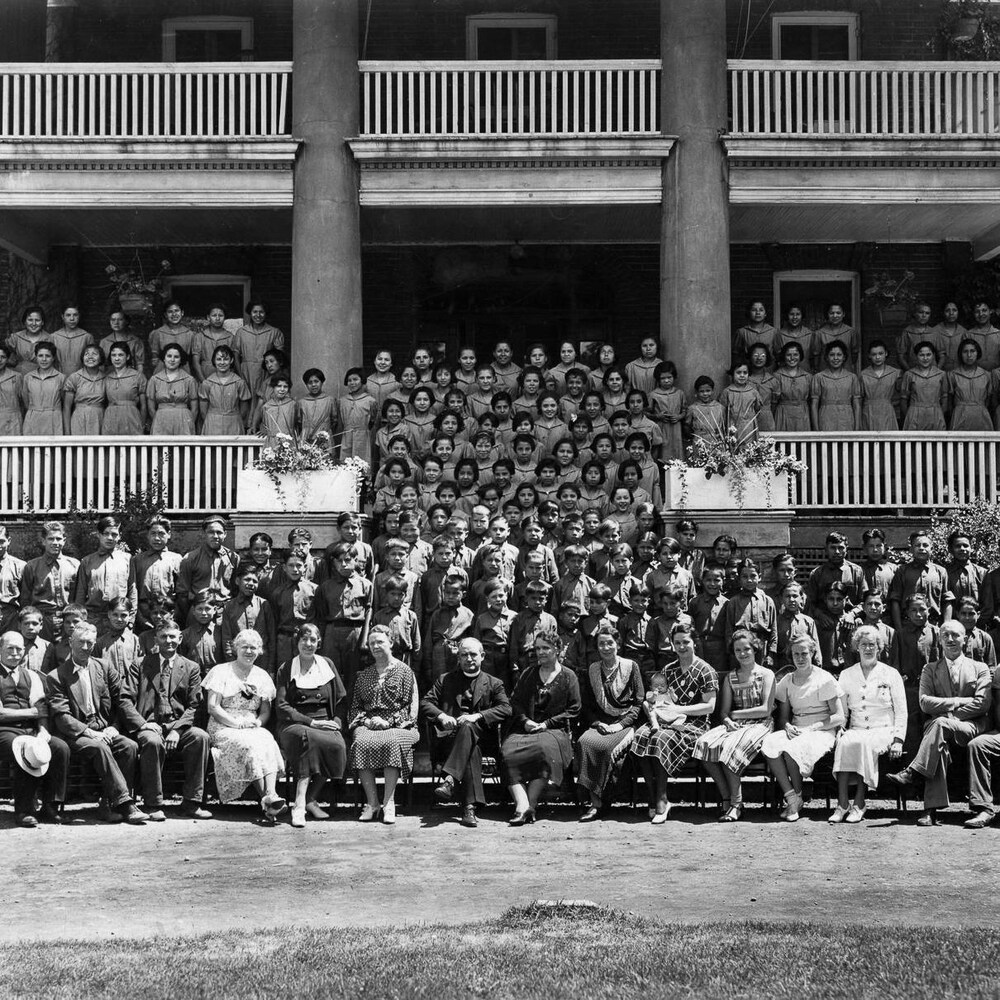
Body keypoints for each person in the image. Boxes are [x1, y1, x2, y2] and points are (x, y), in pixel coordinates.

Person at [888, 620, 992, 826]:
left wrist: (949, 715)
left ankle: (912, 772)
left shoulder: (979, 668)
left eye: (955, 635)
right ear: (940, 640)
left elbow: (982, 703)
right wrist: (958, 702)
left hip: (970, 726)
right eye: (946, 635)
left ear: (965, 638)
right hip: (938, 728)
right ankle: (931, 811)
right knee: (939, 746)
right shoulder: (930, 668)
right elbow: (925, 703)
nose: (950, 639)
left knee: (939, 725)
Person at [46, 621, 149, 824]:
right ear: (70, 642)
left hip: (104, 728)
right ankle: (125, 804)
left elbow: (122, 701)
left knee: (129, 746)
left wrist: (115, 726)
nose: (86, 647)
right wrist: (89, 733)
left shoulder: (104, 666)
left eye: (90, 643)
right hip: (75, 735)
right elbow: (62, 717)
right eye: (81, 642)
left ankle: (107, 804)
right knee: (99, 748)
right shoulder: (57, 676)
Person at [119, 619, 212, 821]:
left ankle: (191, 802)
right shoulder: (140, 664)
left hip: (179, 725)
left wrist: (177, 731)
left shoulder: (191, 667)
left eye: (172, 637)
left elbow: (195, 705)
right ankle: (153, 804)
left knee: (200, 737)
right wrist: (143, 724)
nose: (168, 641)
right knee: (152, 742)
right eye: (163, 637)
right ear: (156, 640)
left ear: (180, 639)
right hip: (149, 724)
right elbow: (125, 699)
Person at [631, 621, 718, 823]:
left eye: (685, 642)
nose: (681, 647)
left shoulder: (706, 670)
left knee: (661, 737)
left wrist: (678, 709)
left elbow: (709, 706)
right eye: (677, 642)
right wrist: (654, 704)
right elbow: (661, 698)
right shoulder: (668, 670)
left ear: (694, 642)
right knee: (641, 736)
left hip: (694, 725)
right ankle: (653, 797)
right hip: (666, 720)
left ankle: (662, 798)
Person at [421, 636, 512, 828]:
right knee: (471, 749)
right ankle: (469, 808)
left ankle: (449, 780)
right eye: (464, 655)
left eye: (473, 654)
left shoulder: (494, 683)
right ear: (458, 658)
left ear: (482, 656)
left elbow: (506, 708)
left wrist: (477, 716)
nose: (469, 659)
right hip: (450, 741)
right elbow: (425, 703)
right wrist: (441, 716)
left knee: (469, 729)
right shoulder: (445, 680)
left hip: (484, 739)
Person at [202, 628, 287, 820]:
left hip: (251, 724)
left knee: (266, 739)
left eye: (253, 648)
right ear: (235, 648)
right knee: (248, 744)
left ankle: (270, 796)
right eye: (244, 647)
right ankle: (269, 799)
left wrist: (257, 722)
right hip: (223, 724)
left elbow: (265, 711)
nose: (249, 651)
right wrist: (235, 724)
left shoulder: (262, 675)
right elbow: (213, 707)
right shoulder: (221, 671)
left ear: (260, 651)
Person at [692, 629, 776, 822]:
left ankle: (737, 804)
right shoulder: (731, 677)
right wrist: (728, 720)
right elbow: (723, 712)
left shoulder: (766, 674)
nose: (743, 653)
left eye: (746, 649)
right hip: (736, 725)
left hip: (760, 725)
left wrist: (735, 715)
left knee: (730, 748)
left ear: (755, 649)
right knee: (704, 744)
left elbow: (765, 710)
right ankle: (726, 797)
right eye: (738, 650)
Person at [761, 634, 844, 822]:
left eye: (804, 654)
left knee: (792, 749)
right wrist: (788, 726)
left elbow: (839, 716)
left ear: (813, 653)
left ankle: (796, 799)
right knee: (770, 743)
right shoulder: (788, 680)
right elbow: (783, 717)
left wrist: (815, 727)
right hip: (797, 728)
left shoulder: (824, 679)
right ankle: (793, 797)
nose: (800, 658)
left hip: (822, 730)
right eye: (796, 654)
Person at [501, 629, 581, 825]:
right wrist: (525, 721)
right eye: (537, 648)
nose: (541, 652)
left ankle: (531, 804)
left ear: (557, 649)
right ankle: (523, 806)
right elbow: (516, 702)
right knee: (508, 752)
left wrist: (546, 724)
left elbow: (574, 709)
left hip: (554, 731)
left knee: (544, 751)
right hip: (525, 729)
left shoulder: (569, 676)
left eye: (546, 648)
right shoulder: (529, 674)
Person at [829, 625, 907, 824]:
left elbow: (901, 710)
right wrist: (840, 728)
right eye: (864, 644)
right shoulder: (847, 674)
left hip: (883, 729)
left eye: (872, 644)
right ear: (857, 647)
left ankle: (860, 803)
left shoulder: (891, 673)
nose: (868, 649)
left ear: (879, 647)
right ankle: (842, 803)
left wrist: (898, 740)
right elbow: (843, 710)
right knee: (846, 743)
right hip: (856, 727)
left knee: (863, 744)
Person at [275, 623, 348, 829]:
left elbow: (341, 700)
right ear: (297, 642)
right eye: (304, 640)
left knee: (337, 745)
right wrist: (311, 722)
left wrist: (336, 723)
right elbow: (282, 706)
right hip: (294, 723)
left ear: (319, 643)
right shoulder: (287, 668)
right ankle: (298, 806)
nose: (308, 644)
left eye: (313, 640)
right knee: (307, 738)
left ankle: (310, 799)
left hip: (325, 721)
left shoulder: (327, 664)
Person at [349, 624, 420, 825]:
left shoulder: (405, 671)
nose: (376, 646)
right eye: (372, 643)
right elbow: (355, 707)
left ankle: (389, 802)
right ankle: (372, 803)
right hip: (369, 724)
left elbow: (410, 708)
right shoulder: (364, 675)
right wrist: (368, 720)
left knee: (390, 742)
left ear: (391, 642)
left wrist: (388, 722)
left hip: (401, 726)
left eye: (380, 641)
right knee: (361, 742)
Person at [575, 623, 644, 822]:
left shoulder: (631, 666)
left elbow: (639, 702)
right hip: (601, 723)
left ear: (618, 644)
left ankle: (603, 802)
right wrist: (597, 723)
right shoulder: (593, 669)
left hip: (626, 721)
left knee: (607, 749)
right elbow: (587, 705)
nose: (606, 648)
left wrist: (621, 725)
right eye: (601, 644)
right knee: (585, 742)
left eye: (610, 643)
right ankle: (594, 802)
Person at [0, 631, 69, 826]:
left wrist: (43, 730)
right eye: (9, 649)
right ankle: (24, 810)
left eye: (19, 649)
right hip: (3, 731)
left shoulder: (31, 675)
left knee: (59, 747)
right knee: (24, 749)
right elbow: (1, 714)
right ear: (0, 650)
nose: (15, 653)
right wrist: (31, 713)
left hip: (30, 730)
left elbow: (41, 708)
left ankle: (50, 806)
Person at [20, 520, 80, 641]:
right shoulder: (32, 566)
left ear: (64, 540)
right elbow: (25, 599)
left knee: (65, 654)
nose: (55, 543)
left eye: (58, 539)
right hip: (42, 620)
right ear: (43, 541)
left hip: (67, 620)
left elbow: (79, 595)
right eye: (51, 539)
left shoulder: (74, 565)